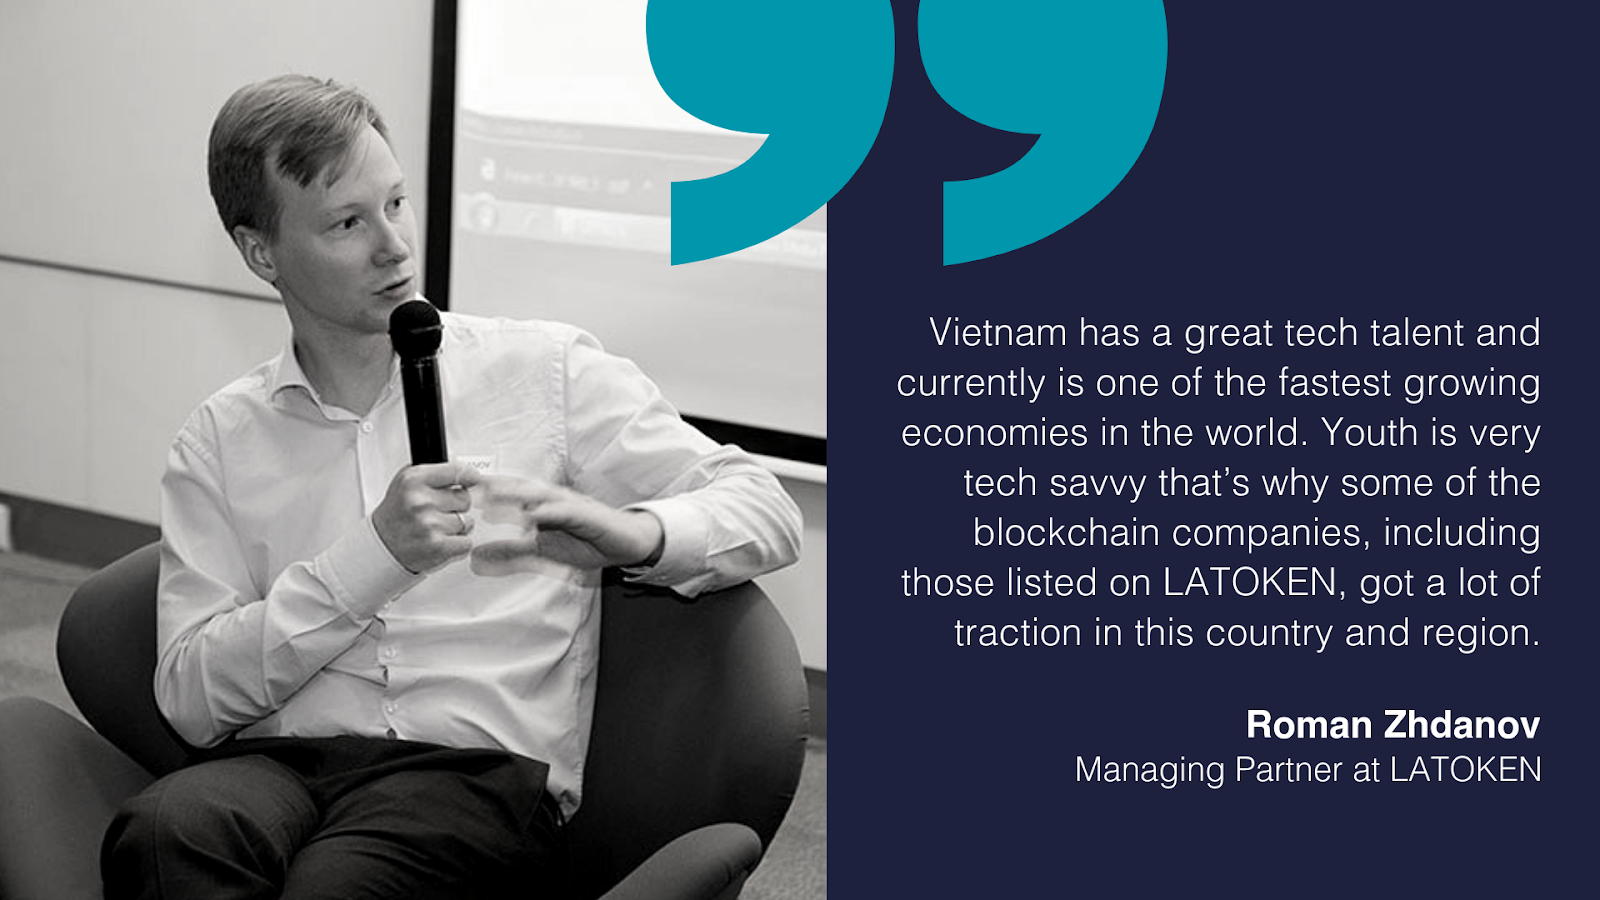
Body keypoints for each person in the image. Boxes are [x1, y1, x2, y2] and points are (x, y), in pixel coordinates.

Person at [100, 74, 802, 900]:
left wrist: (636, 534)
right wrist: (373, 557)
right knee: (163, 833)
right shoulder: (220, 439)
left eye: (396, 204)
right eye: (348, 223)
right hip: (282, 764)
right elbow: (189, 698)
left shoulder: (543, 371)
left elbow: (765, 507)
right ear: (263, 253)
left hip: (476, 779)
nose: (394, 246)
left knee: (338, 887)